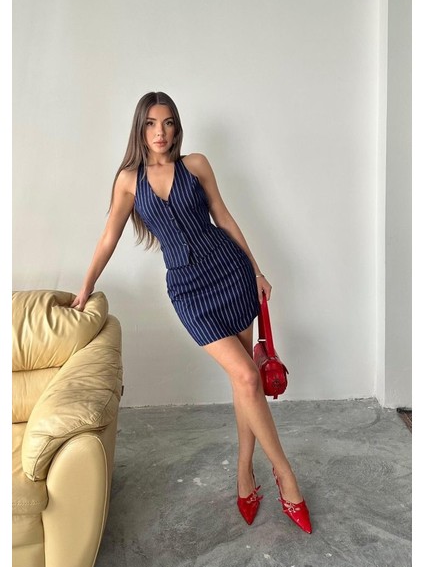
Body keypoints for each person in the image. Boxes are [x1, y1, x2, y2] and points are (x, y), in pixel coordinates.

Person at [71, 91, 312, 533]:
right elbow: (109, 237)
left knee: (245, 380)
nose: (159, 132)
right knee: (246, 377)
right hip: (188, 289)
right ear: (139, 128)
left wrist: (256, 270)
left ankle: (245, 473)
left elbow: (223, 216)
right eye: (151, 123)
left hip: (229, 272)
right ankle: (285, 475)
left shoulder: (196, 165)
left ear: (176, 128)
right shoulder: (129, 180)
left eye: (167, 123)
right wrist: (86, 286)